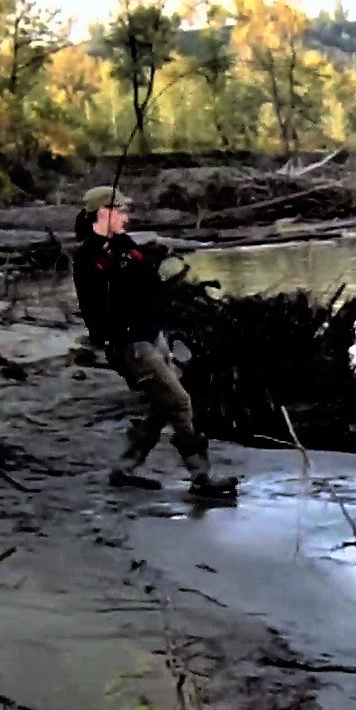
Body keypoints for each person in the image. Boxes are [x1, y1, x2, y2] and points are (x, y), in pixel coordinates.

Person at [72, 185, 235, 497]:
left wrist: (150, 259)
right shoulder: (88, 255)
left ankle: (126, 468)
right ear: (102, 212)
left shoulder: (123, 244)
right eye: (120, 210)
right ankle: (201, 477)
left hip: (151, 335)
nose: (126, 216)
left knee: (163, 403)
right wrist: (109, 265)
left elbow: (147, 281)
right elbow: (95, 301)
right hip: (129, 343)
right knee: (179, 400)